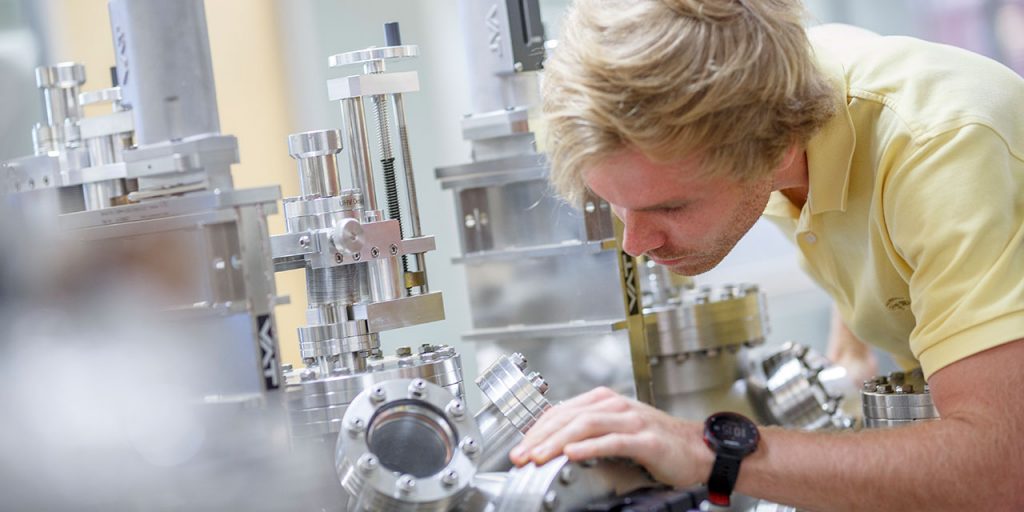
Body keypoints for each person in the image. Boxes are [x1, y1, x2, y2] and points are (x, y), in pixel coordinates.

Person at [510, 0, 1024, 509]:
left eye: (671, 206)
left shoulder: (944, 150)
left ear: (778, 144)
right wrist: (851, 349)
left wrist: (709, 451)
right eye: (614, 204)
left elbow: (1002, 468)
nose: (635, 242)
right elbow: (872, 216)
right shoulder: (799, 87)